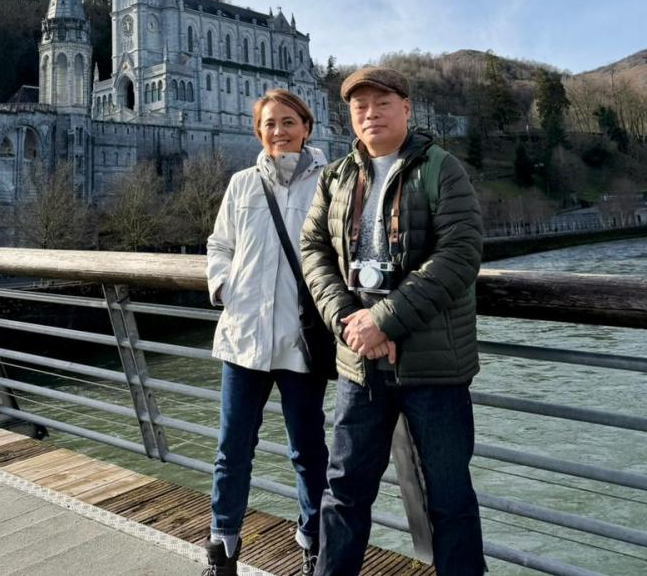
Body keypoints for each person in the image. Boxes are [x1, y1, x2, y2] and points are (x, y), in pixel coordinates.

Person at [300, 66, 485, 576]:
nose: (370, 113)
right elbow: (312, 249)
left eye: (382, 103)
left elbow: (460, 254)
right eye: (360, 106)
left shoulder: (441, 168)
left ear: (407, 108)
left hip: (433, 367)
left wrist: (385, 319)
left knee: (450, 499)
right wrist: (348, 320)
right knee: (344, 492)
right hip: (359, 363)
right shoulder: (336, 176)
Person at [203, 89, 330, 576]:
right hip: (243, 336)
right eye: (269, 124)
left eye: (288, 122)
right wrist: (223, 285)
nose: (279, 131)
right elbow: (219, 243)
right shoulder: (241, 183)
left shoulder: (330, 183)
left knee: (307, 450)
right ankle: (222, 547)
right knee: (231, 449)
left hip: (301, 340)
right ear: (258, 132)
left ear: (307, 126)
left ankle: (312, 541)